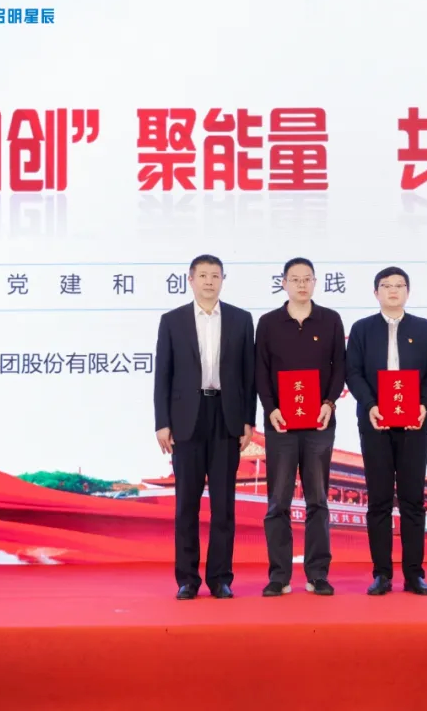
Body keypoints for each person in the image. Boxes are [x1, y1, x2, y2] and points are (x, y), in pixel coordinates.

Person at [153, 254, 256, 600]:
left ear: (223, 279)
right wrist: (162, 422)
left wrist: (248, 420)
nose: (209, 281)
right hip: (186, 419)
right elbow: (163, 375)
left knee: (224, 505)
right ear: (190, 279)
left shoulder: (241, 320)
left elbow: (249, 376)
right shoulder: (172, 321)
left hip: (227, 417)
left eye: (215, 275)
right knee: (187, 504)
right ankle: (187, 579)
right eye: (203, 275)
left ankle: (220, 578)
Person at [345, 266, 427, 596]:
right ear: (376, 293)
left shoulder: (424, 328)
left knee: (413, 500)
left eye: (399, 285)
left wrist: (423, 404)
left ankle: (414, 574)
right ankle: (382, 573)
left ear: (408, 292)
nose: (393, 290)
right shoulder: (362, 329)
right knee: (379, 500)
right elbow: (353, 372)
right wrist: (371, 404)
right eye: (386, 285)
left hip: (414, 423)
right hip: (375, 423)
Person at [255, 257, 346, 597]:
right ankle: (279, 575)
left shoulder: (330, 319)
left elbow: (340, 367)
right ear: (283, 283)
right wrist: (271, 409)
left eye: (308, 278)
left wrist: (329, 403)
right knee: (277, 500)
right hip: (280, 423)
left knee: (317, 499)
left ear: (315, 282)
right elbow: (260, 370)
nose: (302, 284)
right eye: (295, 279)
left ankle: (318, 574)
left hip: (319, 422)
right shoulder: (268, 323)